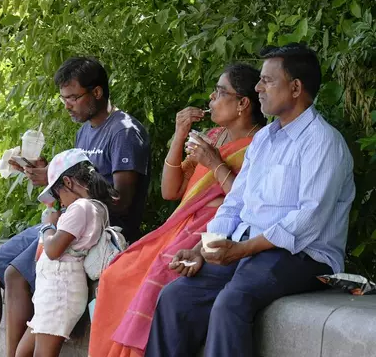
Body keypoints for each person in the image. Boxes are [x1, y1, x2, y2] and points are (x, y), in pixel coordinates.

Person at [144, 43, 356, 357]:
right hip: (251, 250)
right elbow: (236, 202)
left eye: (267, 81)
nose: (258, 87)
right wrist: (204, 248)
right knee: (177, 296)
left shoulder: (323, 142)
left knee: (232, 302)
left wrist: (242, 249)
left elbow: (307, 221)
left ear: (295, 87)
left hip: (304, 256)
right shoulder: (264, 140)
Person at [0, 57, 151, 357]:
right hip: (67, 220)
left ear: (96, 93)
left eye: (73, 98)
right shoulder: (85, 131)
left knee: (15, 276)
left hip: (93, 230)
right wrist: (52, 177)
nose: (68, 105)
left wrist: (66, 182)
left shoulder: (124, 132)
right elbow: (77, 185)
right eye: (64, 98)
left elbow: (122, 200)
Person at [88, 63, 266, 357]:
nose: (211, 97)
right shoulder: (213, 136)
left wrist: (215, 164)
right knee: (116, 274)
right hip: (183, 223)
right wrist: (180, 133)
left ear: (243, 103)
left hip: (217, 227)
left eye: (220, 92)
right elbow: (171, 192)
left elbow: (251, 201)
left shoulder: (262, 144)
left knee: (154, 275)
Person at [15, 149, 117, 357]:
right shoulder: (94, 207)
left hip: (60, 291)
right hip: (55, 289)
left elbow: (53, 250)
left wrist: (47, 226)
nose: (60, 202)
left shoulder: (81, 208)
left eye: (57, 193)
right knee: (22, 352)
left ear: (68, 183)